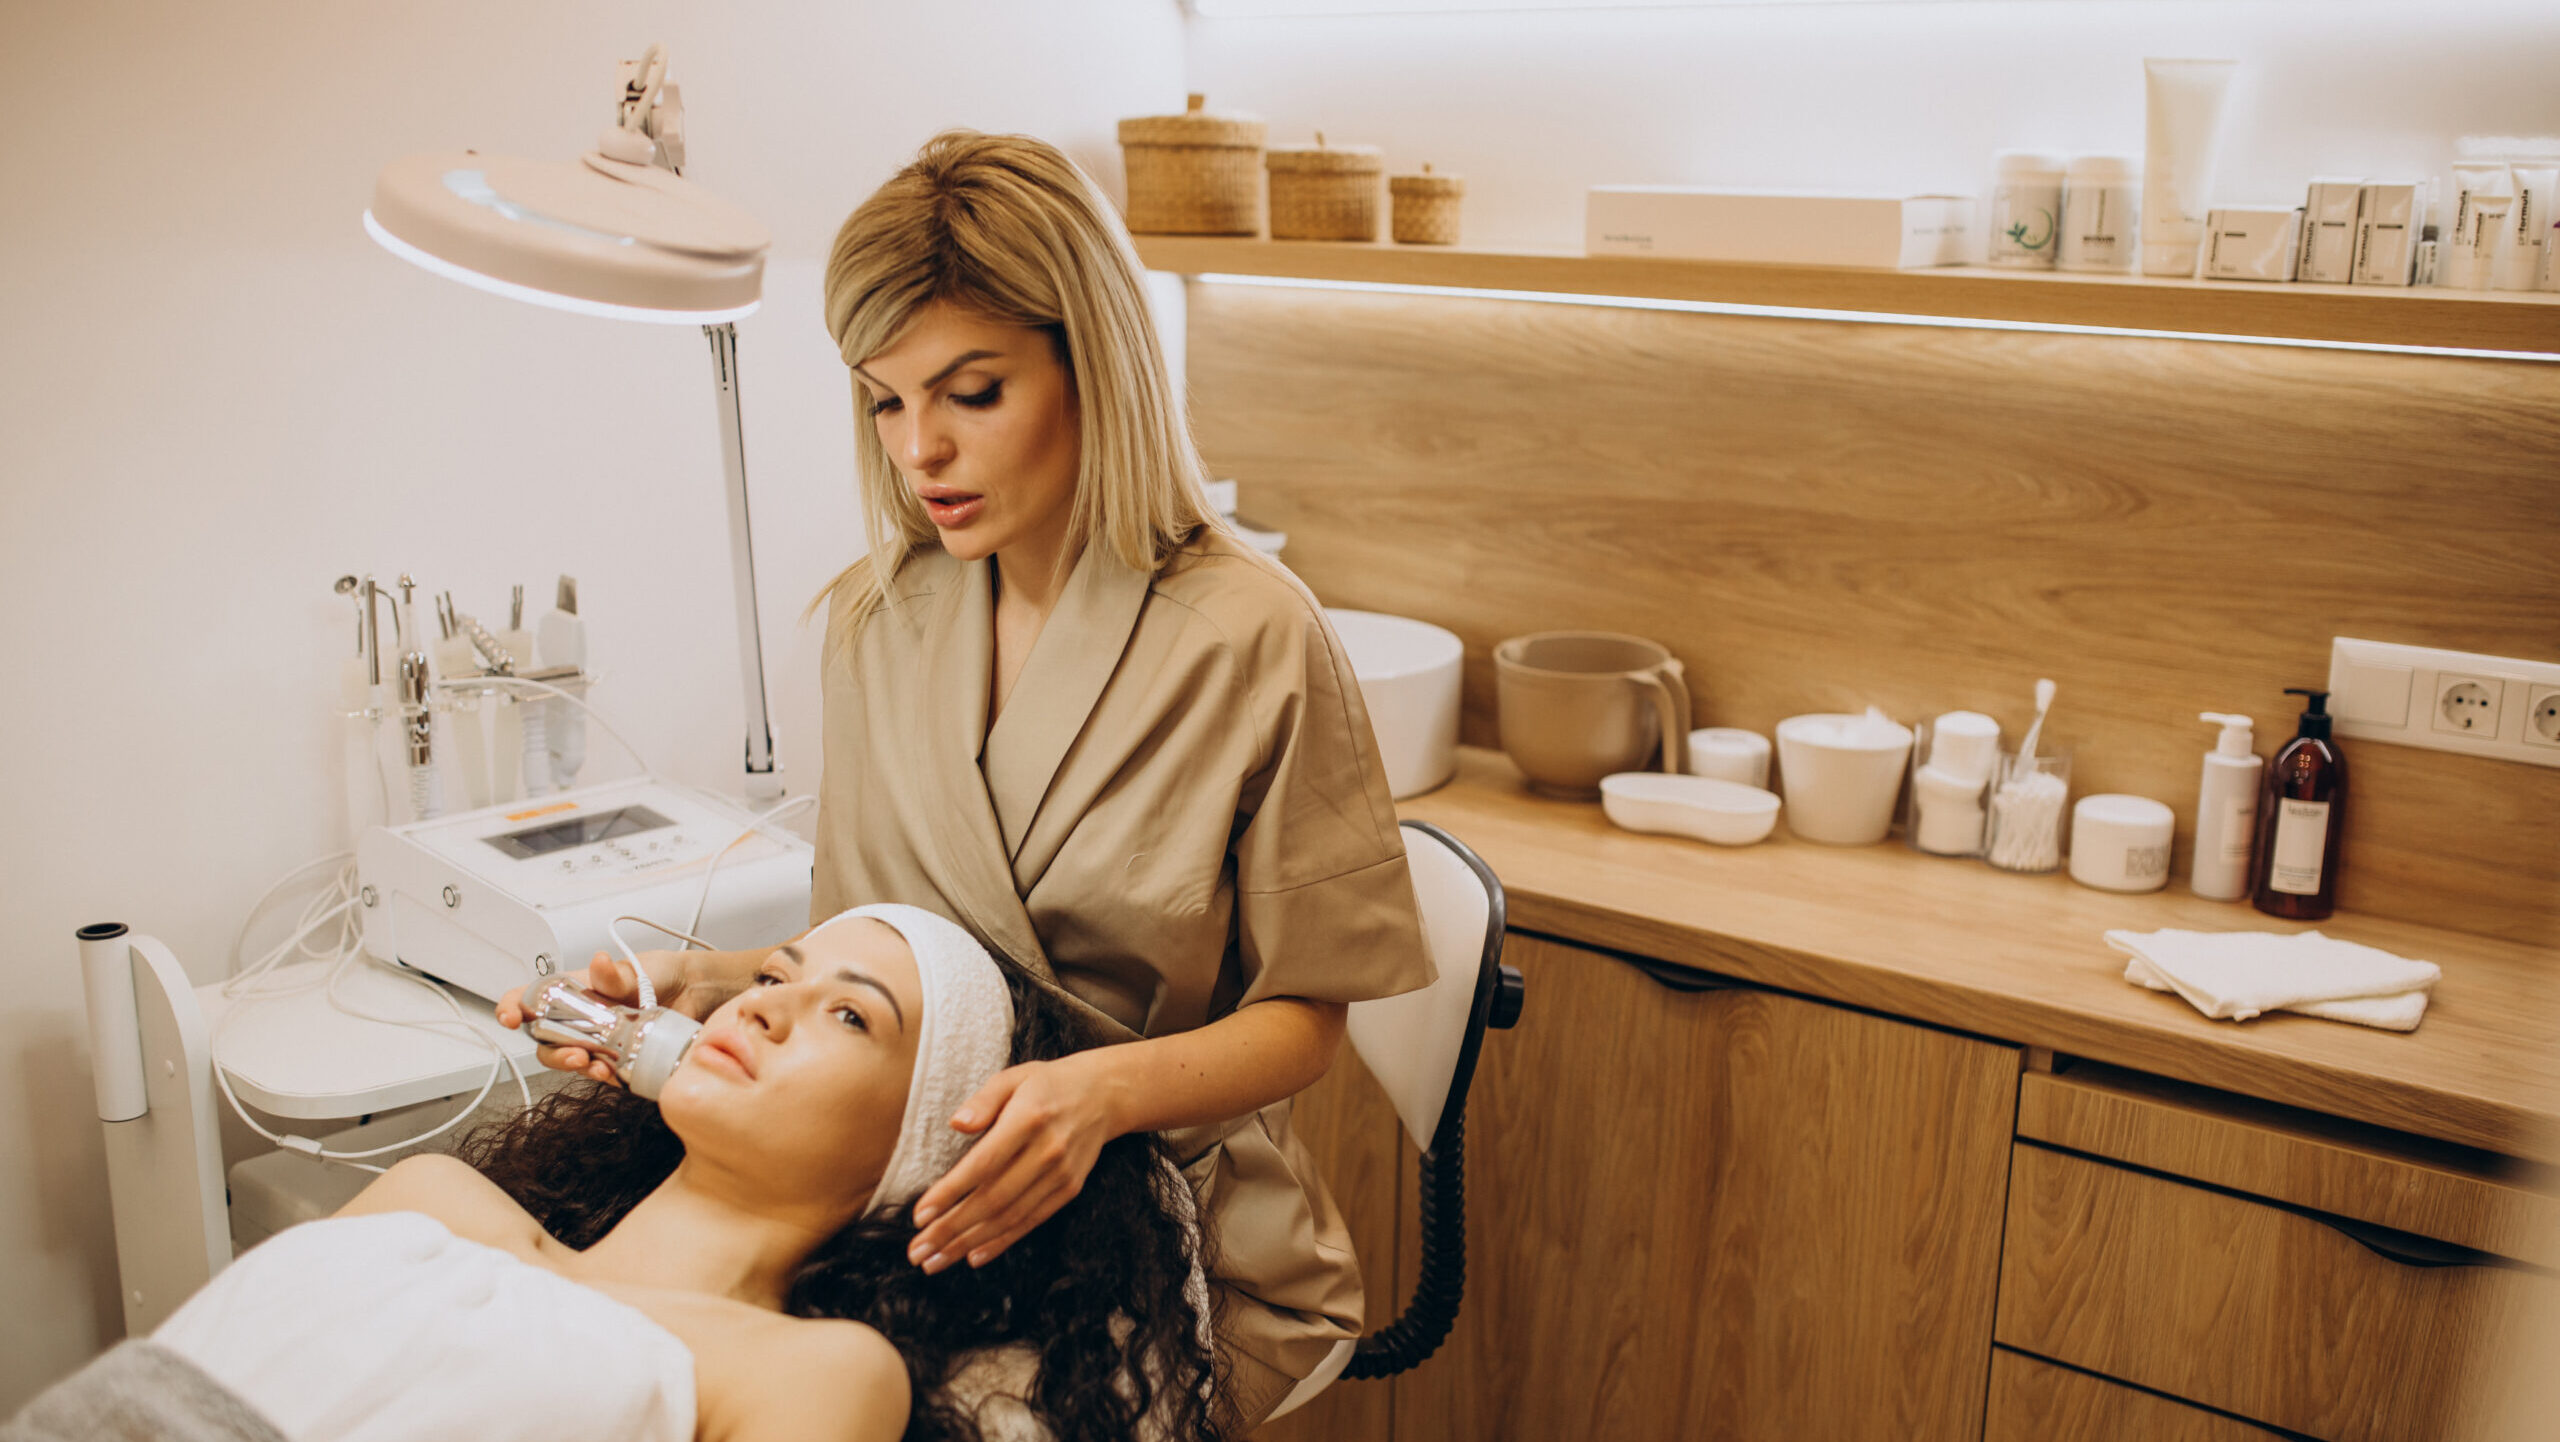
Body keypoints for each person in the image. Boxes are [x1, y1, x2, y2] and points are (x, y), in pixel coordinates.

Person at [502, 129, 1434, 1424]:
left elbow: (1307, 1019)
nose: (917, 449)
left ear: (1087, 363)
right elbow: (870, 956)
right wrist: (705, 987)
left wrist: (1094, 1096)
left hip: (1153, 1221)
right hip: (904, 1210)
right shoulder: (876, 623)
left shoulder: (1250, 637)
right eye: (885, 399)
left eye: (971, 392)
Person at [9, 907, 1222, 1442]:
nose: (771, 1006)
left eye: (849, 1017)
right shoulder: (442, 1198)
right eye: (773, 977)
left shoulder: (809, 1371)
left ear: (925, 1153)